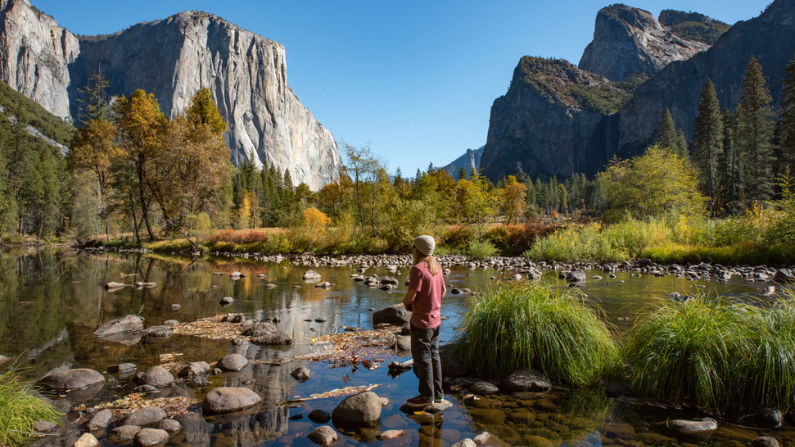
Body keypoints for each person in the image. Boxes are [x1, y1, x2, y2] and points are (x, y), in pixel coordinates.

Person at [402, 235, 446, 407]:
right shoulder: (437, 267)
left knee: (423, 359)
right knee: (434, 356)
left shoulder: (417, 269)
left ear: (417, 249)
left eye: (413, 246)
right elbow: (443, 291)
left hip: (421, 322)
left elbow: (412, 296)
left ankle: (426, 396)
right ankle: (439, 394)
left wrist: (406, 303)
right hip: (435, 321)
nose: (412, 249)